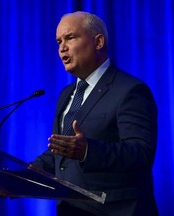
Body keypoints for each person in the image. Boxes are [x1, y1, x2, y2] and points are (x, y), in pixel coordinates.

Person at [31, 11, 158, 216]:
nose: (62, 48)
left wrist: (89, 151)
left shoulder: (130, 90)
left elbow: (141, 153)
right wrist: (23, 176)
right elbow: (61, 152)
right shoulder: (66, 94)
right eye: (58, 41)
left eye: (70, 38)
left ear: (98, 42)